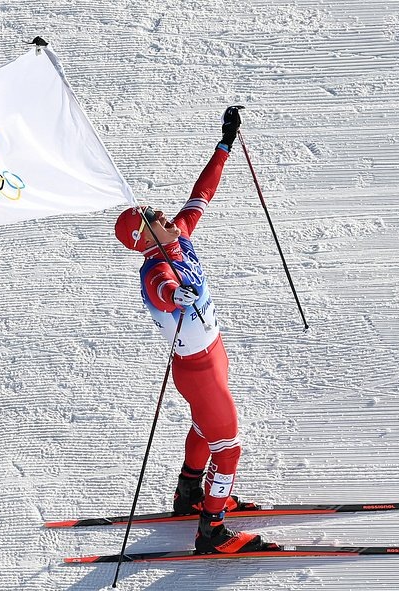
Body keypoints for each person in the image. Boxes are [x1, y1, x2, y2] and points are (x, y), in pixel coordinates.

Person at [113, 107, 272, 554]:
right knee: (229, 448)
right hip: (196, 368)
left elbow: (202, 193)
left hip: (212, 354)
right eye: (149, 216)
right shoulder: (154, 267)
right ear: (143, 239)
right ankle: (212, 529)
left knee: (206, 430)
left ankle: (188, 494)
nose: (160, 211)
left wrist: (225, 145)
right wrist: (174, 296)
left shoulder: (179, 234)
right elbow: (161, 289)